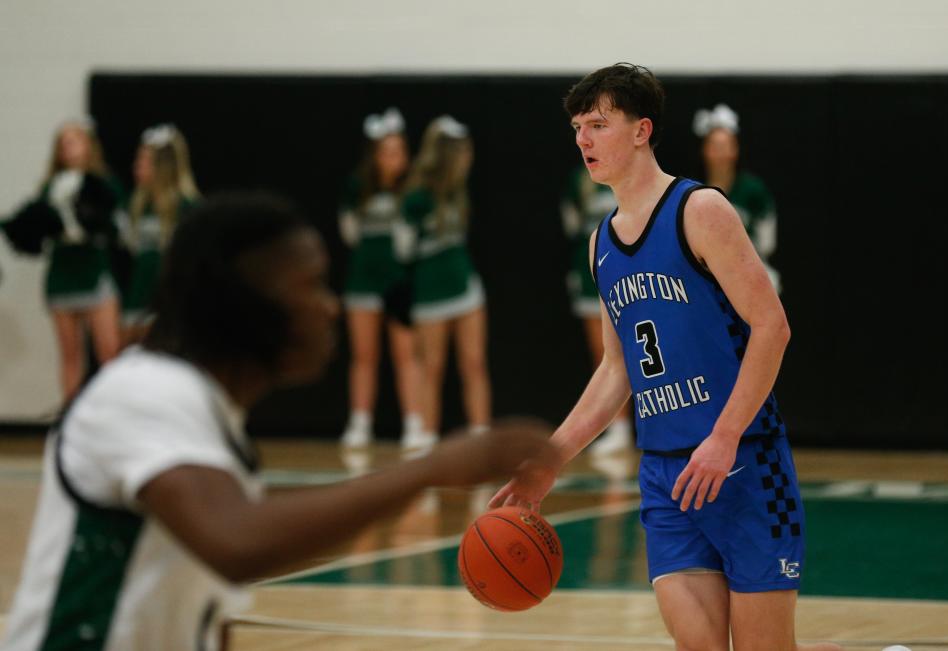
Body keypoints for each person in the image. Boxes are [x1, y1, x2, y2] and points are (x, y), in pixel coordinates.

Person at [1, 193, 559, 651]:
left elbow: (203, 608)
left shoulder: (204, 416)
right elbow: (237, 544)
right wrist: (428, 469)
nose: (329, 306)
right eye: (309, 285)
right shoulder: (142, 392)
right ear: (241, 301)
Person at [489, 63, 872, 651]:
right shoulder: (601, 243)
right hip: (666, 476)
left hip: (743, 463)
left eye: (597, 124)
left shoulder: (700, 211)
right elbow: (615, 371)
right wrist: (551, 458)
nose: (582, 140)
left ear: (642, 131)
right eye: (576, 127)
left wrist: (723, 436)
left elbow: (773, 327)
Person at [0, 118, 124, 402]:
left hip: (93, 271)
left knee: (109, 353)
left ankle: (111, 413)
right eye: (63, 143)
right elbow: (32, 234)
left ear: (88, 144)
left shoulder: (104, 185)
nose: (68, 148)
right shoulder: (50, 188)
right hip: (62, 276)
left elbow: (116, 228)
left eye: (74, 140)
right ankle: (70, 419)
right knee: (70, 355)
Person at [397, 115, 491, 449]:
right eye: (463, 152)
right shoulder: (417, 198)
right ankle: (426, 438)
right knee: (431, 367)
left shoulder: (457, 192)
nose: (468, 159)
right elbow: (402, 248)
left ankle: (481, 435)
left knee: (474, 362)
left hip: (465, 288)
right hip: (430, 294)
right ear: (448, 155)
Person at [339, 108, 423, 448]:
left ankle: (414, 423)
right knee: (364, 356)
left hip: (399, 283)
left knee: (406, 355)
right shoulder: (357, 187)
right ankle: (360, 422)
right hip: (363, 281)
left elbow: (414, 239)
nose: (394, 158)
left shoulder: (413, 190)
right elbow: (349, 234)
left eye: (399, 151)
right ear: (375, 156)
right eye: (387, 152)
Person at [560, 166, 633, 454]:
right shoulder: (577, 182)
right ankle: (619, 427)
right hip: (590, 271)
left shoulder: (631, 177)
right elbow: (572, 227)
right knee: (605, 353)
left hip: (630, 267)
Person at [121, 124, 200, 341]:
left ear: (163, 165)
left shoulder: (187, 206)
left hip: (170, 298)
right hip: (138, 295)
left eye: (143, 161)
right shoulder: (138, 204)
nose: (136, 167)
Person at [694, 104, 781, 293]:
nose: (720, 153)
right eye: (715, 146)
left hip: (749, 268)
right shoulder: (692, 191)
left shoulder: (753, 190)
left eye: (725, 146)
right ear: (705, 150)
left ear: (736, 149)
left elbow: (767, 241)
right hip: (706, 273)